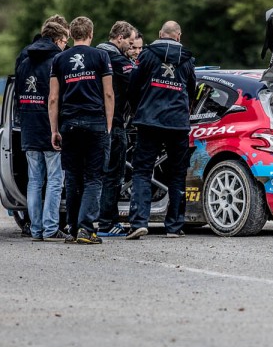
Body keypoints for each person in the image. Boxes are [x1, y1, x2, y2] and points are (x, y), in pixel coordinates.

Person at [124, 20, 196, 240]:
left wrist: (139, 110)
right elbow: (192, 90)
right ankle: (174, 227)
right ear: (178, 36)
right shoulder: (188, 60)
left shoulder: (146, 55)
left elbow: (133, 85)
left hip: (149, 121)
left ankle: (138, 222)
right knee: (177, 174)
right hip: (177, 124)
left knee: (142, 171)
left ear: (160, 34)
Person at [48, 16, 114, 245]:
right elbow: (108, 94)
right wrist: (108, 124)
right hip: (95, 123)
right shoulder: (101, 56)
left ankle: (73, 229)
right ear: (91, 34)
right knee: (94, 178)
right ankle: (87, 229)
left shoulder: (59, 59)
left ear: (72, 35)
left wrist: (54, 130)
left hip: (70, 124)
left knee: (73, 179)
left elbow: (53, 98)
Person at [15, 21, 68, 242]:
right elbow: (58, 98)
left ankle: (36, 229)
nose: (66, 46)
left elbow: (18, 97)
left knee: (34, 181)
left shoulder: (24, 62)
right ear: (57, 40)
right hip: (50, 128)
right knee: (55, 181)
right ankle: (50, 228)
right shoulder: (57, 62)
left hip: (28, 127)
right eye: (65, 41)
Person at [96, 21, 138, 235]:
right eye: (130, 42)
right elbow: (138, 82)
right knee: (113, 175)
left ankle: (81, 223)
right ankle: (107, 223)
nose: (131, 47)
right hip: (114, 124)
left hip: (91, 122)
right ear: (119, 38)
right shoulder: (116, 59)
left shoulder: (94, 55)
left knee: (90, 175)